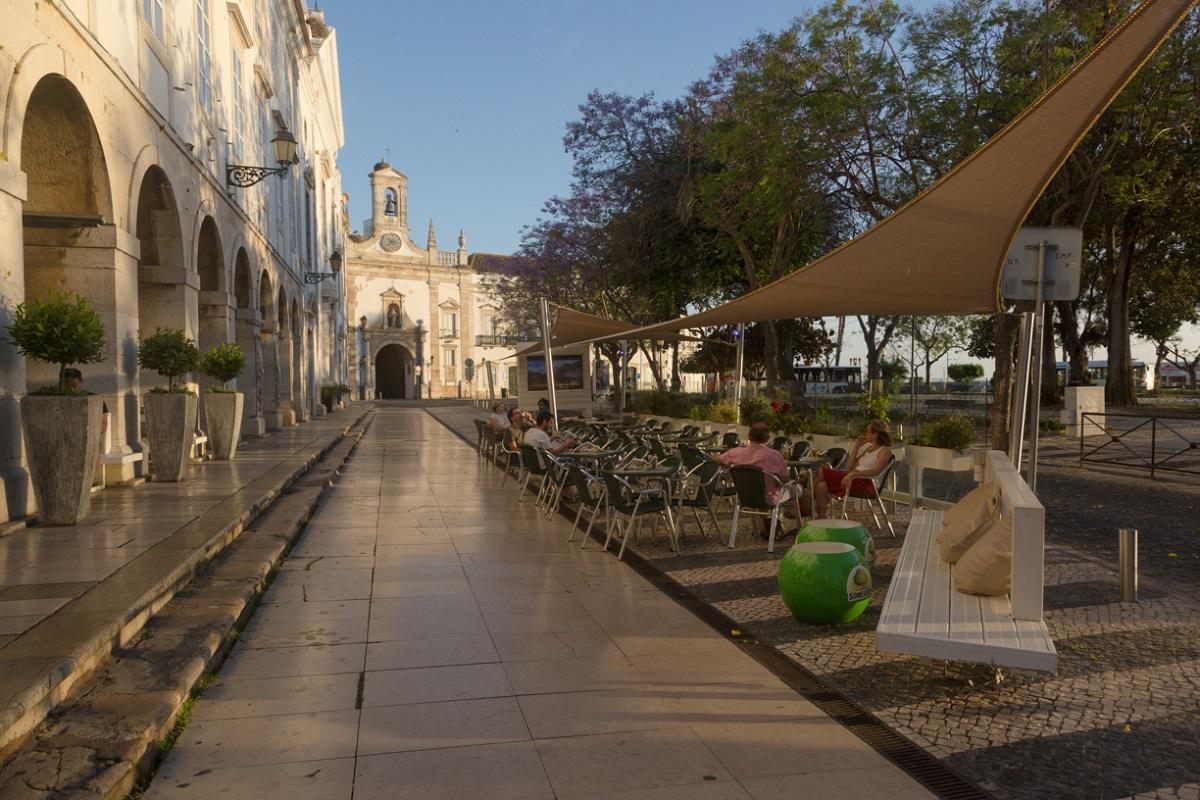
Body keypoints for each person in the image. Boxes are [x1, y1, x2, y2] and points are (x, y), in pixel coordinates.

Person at [715, 423, 802, 535]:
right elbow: (785, 480)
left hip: (745, 496)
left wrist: (717, 456)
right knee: (798, 488)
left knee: (762, 487)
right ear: (768, 438)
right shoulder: (774, 455)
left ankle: (765, 528)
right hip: (769, 497)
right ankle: (799, 522)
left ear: (749, 436)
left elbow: (718, 459)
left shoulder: (736, 452)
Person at [812, 418, 892, 517]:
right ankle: (821, 518)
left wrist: (854, 474)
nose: (865, 433)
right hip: (853, 478)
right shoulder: (868, 449)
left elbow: (876, 471)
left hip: (866, 482)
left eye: (867, 431)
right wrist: (856, 447)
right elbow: (850, 467)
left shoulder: (885, 450)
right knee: (821, 486)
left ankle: (805, 503)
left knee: (821, 471)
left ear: (875, 434)